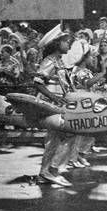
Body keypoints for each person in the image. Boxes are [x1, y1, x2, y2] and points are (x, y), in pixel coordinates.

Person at [34, 24, 75, 187]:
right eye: (66, 41)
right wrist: (54, 98)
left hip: (61, 104)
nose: (69, 44)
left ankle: (48, 171)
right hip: (53, 106)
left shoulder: (59, 61)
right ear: (57, 43)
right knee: (60, 136)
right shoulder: (50, 61)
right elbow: (37, 83)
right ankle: (50, 171)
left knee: (59, 138)